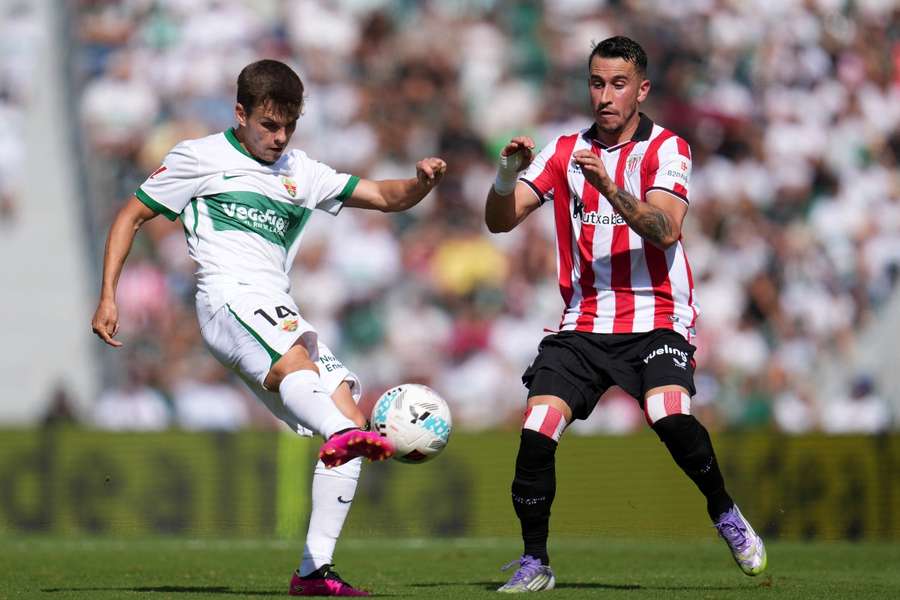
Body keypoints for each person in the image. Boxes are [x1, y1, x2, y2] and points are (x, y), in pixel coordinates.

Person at [91, 59, 446, 597]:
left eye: (289, 127)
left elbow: (383, 196)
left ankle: (313, 571)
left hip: (280, 310)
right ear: (241, 113)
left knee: (349, 404)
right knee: (324, 404)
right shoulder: (199, 157)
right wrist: (108, 296)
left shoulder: (301, 172)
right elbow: (129, 216)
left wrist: (420, 183)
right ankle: (339, 435)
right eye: (269, 126)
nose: (279, 138)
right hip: (226, 299)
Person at [484, 36, 766, 592]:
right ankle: (535, 563)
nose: (605, 96)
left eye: (617, 84)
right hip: (585, 321)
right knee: (537, 425)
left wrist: (609, 188)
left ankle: (724, 512)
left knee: (667, 414)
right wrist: (504, 174)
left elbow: (667, 229)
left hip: (659, 315)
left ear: (642, 89)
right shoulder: (564, 150)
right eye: (596, 83)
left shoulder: (668, 149)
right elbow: (500, 221)